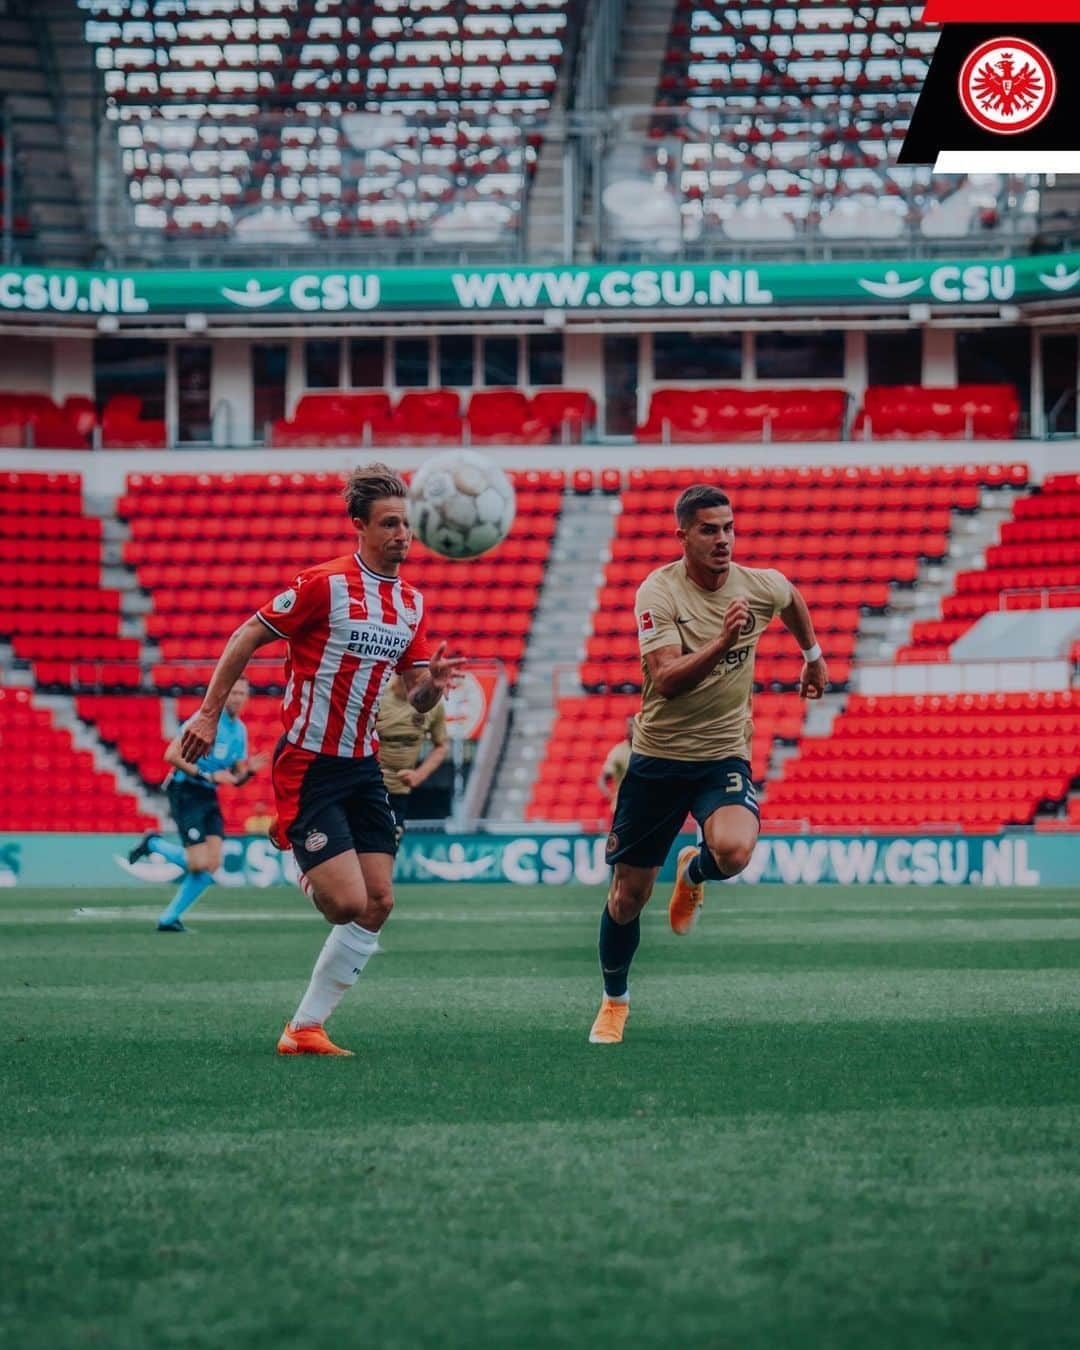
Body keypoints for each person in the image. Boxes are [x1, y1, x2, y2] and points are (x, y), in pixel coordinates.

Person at [178, 463, 464, 1057]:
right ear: (358, 526)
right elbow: (245, 637)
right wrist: (207, 714)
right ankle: (297, 848)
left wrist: (433, 685)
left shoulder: (410, 602)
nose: (402, 536)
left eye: (406, 525)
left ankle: (304, 1028)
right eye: (388, 524)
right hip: (308, 763)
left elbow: (415, 699)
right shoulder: (322, 585)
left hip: (365, 767)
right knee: (346, 902)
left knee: (379, 901)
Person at [589, 483, 828, 1045]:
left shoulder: (757, 585)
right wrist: (724, 643)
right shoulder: (659, 592)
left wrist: (812, 657)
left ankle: (695, 871)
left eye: (728, 528)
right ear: (683, 537)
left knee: (736, 851)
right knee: (628, 897)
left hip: (722, 754)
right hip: (658, 760)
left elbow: (791, 597)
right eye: (708, 530)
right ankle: (614, 1002)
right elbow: (667, 681)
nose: (722, 540)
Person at [128, 675, 267, 931]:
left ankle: (168, 919)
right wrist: (207, 775)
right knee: (198, 864)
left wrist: (247, 773)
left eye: (242, 694)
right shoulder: (206, 721)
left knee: (211, 866)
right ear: (225, 695)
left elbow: (235, 779)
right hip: (186, 790)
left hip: (208, 794)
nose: (237, 698)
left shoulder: (240, 732)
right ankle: (153, 843)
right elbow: (171, 754)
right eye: (233, 693)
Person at [376, 673, 450, 842]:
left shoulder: (432, 705)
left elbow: (442, 745)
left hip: (399, 792)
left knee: (388, 850)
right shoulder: (378, 695)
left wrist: (419, 775)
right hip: (367, 788)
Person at [597, 715, 636, 804]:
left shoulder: (646, 751)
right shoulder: (618, 751)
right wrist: (609, 795)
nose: (630, 729)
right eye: (629, 726)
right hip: (623, 805)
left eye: (633, 726)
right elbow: (602, 779)